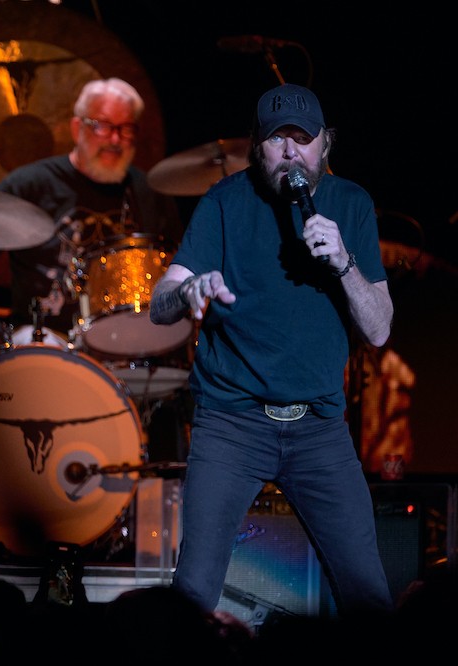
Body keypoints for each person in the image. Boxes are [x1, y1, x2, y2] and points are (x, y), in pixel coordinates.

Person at [147, 82, 395, 617]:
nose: (290, 153)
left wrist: (345, 263)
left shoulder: (351, 204)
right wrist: (188, 291)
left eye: (302, 139)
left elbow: (379, 330)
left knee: (369, 596)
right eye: (277, 139)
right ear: (256, 147)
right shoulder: (224, 201)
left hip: (319, 429)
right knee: (193, 592)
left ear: (325, 144)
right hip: (232, 424)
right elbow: (159, 304)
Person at [0, 77, 183, 347]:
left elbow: (178, 266)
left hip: (129, 339)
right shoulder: (29, 185)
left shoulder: (149, 192)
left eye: (126, 129)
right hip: (44, 337)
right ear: (77, 128)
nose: (115, 139)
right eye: (102, 126)